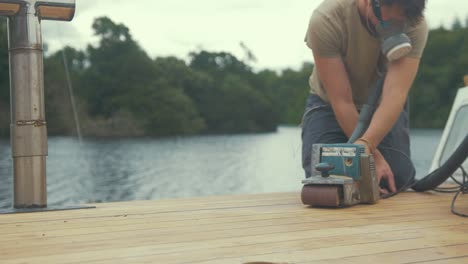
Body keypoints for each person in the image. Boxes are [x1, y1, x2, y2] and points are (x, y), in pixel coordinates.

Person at [302, 0, 428, 195]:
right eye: (392, 20)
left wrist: (366, 146)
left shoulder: (415, 24)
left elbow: (395, 94)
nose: (397, 27)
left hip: (382, 106)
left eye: (401, 22)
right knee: (327, 180)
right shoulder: (326, 19)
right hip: (329, 106)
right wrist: (372, 156)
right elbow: (341, 100)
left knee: (396, 180)